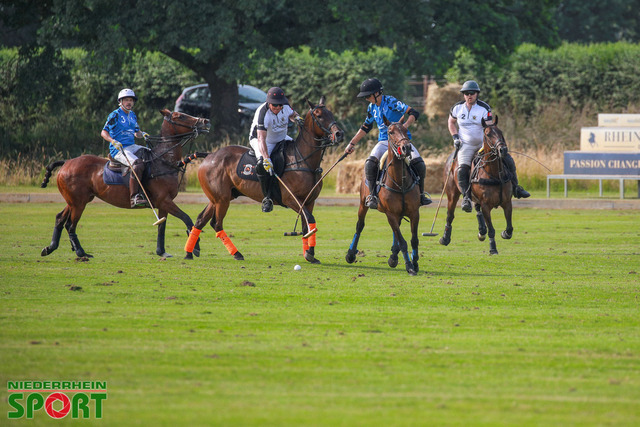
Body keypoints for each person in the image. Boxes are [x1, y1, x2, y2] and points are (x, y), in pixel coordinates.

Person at [344, 78, 431, 209]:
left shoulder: (391, 102)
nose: (366, 99)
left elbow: (413, 113)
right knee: (370, 163)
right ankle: (372, 196)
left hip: (401, 141)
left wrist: (404, 126)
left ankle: (421, 195)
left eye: (368, 96)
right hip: (384, 142)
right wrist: (351, 143)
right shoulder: (371, 107)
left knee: (419, 163)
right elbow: (366, 127)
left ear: (377, 93)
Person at [448, 80, 530, 213]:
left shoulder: (484, 108)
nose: (469, 95)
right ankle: (466, 198)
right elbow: (451, 122)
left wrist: (495, 142)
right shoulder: (457, 108)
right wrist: (455, 137)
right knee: (462, 169)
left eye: (472, 93)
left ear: (477, 94)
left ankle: (516, 188)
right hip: (466, 145)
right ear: (463, 95)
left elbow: (490, 127)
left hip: (483, 144)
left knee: (508, 159)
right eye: (466, 93)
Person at [249, 87, 303, 213]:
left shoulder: (285, 107)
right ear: (269, 103)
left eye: (280, 104)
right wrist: (266, 158)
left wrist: (297, 118)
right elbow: (261, 139)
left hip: (282, 137)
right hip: (263, 141)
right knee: (262, 165)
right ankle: (267, 197)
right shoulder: (263, 113)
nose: (278, 107)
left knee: (298, 153)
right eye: (275, 105)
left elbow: (292, 114)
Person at [101, 88, 150, 208]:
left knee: (151, 154)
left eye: (131, 100)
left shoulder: (132, 115)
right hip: (119, 149)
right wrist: (113, 141)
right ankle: (134, 197)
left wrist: (143, 134)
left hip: (132, 146)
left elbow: (136, 133)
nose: (129, 102)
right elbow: (103, 132)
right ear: (120, 101)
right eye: (126, 100)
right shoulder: (115, 115)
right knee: (137, 164)